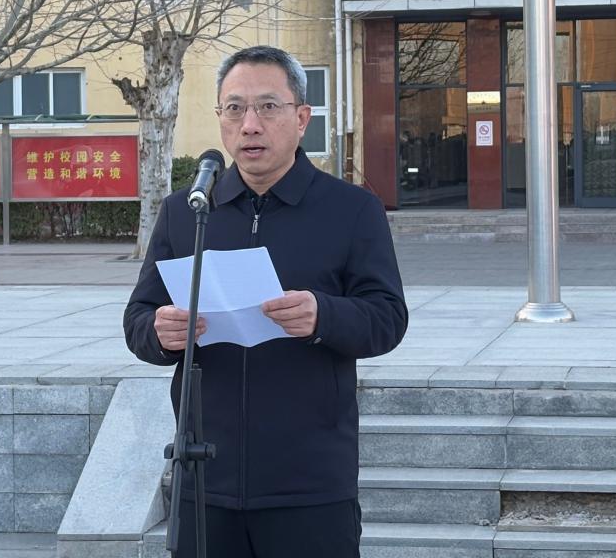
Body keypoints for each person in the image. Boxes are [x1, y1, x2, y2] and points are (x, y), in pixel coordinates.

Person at [124, 46, 407, 558]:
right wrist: (161, 333)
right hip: (204, 479)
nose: (250, 124)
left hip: (310, 484)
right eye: (234, 108)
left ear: (302, 118)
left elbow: (387, 318)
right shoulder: (187, 214)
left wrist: (323, 315)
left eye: (268, 107)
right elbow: (138, 320)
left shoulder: (351, 209)